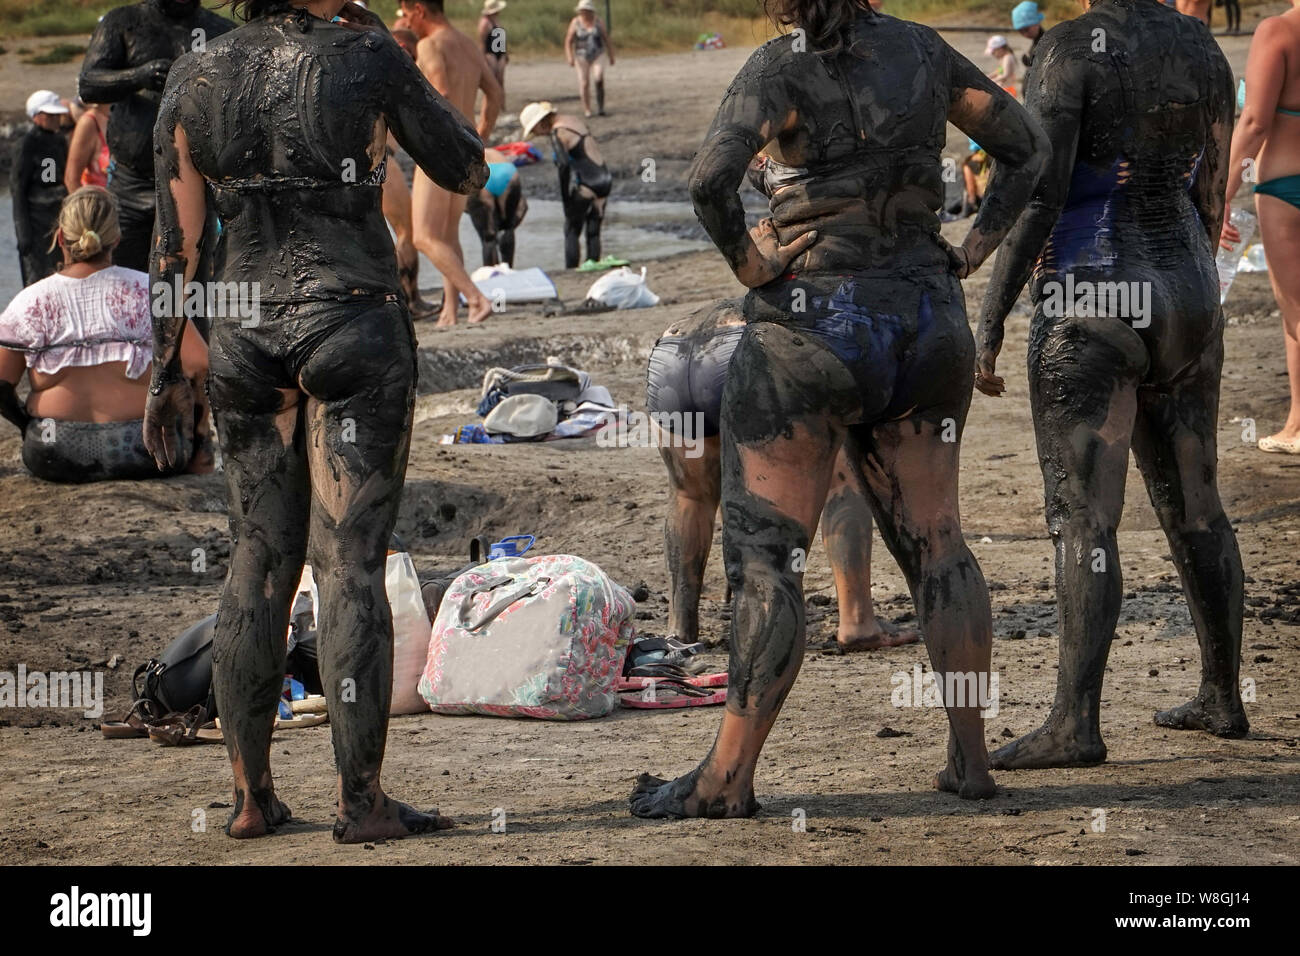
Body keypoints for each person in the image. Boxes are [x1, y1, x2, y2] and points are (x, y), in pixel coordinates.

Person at [631, 0, 1049, 819]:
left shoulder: (780, 66)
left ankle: (726, 778)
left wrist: (752, 265)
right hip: (926, 323)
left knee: (766, 560)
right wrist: (971, 246)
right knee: (940, 544)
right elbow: (1024, 147)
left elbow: (709, 181)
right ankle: (970, 761)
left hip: (812, 328)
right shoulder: (925, 52)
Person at [144, 0, 487, 842]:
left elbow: (172, 246)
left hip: (244, 329)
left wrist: (162, 373)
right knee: (349, 565)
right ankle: (360, 800)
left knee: (257, 562)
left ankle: (250, 799)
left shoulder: (195, 73)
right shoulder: (365, 54)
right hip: (349, 321)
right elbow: (468, 166)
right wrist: (383, 60)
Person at [977, 0, 1247, 769]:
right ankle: (1224, 695)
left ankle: (1076, 723)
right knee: (1197, 503)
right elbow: (1213, 189)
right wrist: (1198, 297)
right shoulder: (1201, 46)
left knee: (1084, 518)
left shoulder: (1068, 50)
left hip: (1090, 290)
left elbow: (1043, 190)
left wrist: (992, 312)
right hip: (1188, 286)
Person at [647, 298, 919, 652]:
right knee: (841, 473)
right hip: (744, 343)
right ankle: (857, 622)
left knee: (690, 495)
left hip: (673, 348)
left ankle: (680, 631)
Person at [0, 187, 210, 482]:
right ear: (116, 239)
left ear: (61, 238)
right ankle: (201, 459)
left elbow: (2, 383)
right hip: (146, 447)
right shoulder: (149, 291)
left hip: (53, 450)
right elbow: (200, 365)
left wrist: (27, 426)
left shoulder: (30, 300)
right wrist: (199, 435)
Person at [78, 0, 234, 274]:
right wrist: (138, 76)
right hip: (132, 184)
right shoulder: (122, 21)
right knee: (120, 275)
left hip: (195, 184)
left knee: (190, 284)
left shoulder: (220, 30)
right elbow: (88, 84)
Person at [1222, 1, 1300, 453]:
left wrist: (1224, 193)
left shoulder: (1277, 32)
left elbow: (1253, 122)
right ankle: (1295, 423)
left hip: (1285, 188)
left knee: (1295, 309)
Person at [400, 0, 503, 327]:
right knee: (447, 233)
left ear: (418, 9)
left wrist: (415, 132)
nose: (406, 22)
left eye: (405, 14)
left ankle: (476, 298)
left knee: (423, 237)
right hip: (466, 151)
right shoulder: (467, 43)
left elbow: (440, 91)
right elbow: (495, 93)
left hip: (438, 150)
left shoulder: (430, 45)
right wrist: (481, 135)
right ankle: (451, 311)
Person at [382, 25, 436, 317]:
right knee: (406, 231)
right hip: (383, 162)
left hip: (360, 166)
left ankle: (394, 299)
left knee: (381, 233)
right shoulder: (395, 72)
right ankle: (411, 300)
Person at [521, 101, 611, 269]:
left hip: (587, 183)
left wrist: (565, 199)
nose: (538, 135)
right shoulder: (573, 120)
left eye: (535, 131)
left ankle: (571, 271)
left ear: (540, 122)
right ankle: (593, 266)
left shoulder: (558, 132)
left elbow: (563, 166)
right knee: (593, 230)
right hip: (604, 178)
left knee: (571, 230)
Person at [12, 91, 70, 288]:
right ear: (37, 116)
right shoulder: (27, 143)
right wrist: (23, 233)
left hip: (56, 219)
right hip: (35, 224)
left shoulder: (59, 140)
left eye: (57, 115)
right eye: (50, 115)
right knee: (36, 281)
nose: (56, 119)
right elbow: (18, 189)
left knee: (58, 276)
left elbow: (58, 177)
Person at [467, 147, 528, 268]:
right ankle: (508, 271)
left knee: (488, 239)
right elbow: (523, 206)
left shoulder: (466, 153)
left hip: (480, 174)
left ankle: (492, 277)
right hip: (506, 171)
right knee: (508, 229)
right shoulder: (495, 152)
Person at [565, 0, 614, 118]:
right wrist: (569, 56)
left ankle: (600, 106)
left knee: (598, 77)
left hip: (598, 53)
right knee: (584, 82)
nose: (585, 13)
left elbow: (606, 38)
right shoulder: (575, 22)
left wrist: (611, 55)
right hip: (581, 55)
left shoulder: (598, 21)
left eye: (587, 11)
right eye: (583, 11)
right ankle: (587, 109)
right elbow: (568, 41)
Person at [65, 102, 113, 192]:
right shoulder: (89, 123)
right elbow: (71, 180)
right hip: (98, 202)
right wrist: (84, 205)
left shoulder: (128, 117)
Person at [478, 1, 508, 94]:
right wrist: (483, 58)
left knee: (500, 81)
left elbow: (501, 37)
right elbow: (482, 41)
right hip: (491, 53)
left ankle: (502, 105)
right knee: (493, 82)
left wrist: (505, 54)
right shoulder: (485, 23)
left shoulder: (496, 20)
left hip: (500, 53)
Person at [1012, 1, 1046, 68]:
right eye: (1020, 31)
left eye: (1026, 30)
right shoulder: (1037, 40)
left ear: (1036, 22)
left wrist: (1028, 61)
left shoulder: (1045, 41)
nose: (1025, 34)